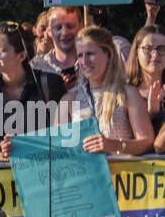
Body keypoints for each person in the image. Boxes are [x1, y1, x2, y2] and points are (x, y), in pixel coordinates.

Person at [58, 26, 154, 156]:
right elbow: (57, 150)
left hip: (122, 174)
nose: (84, 61)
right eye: (80, 55)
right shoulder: (68, 100)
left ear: (108, 55)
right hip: (86, 174)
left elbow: (147, 142)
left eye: (90, 54)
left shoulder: (128, 94)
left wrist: (114, 145)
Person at [0, 23, 66, 162]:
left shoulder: (49, 84)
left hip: (45, 173)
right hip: (2, 179)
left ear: (21, 56)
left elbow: (65, 135)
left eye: (0, 50)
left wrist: (26, 144)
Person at [125, 25, 165, 133]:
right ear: (136, 53)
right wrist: (150, 114)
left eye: (161, 49)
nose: (155, 54)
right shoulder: (125, 93)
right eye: (147, 48)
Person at [31, 5, 83, 88]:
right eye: (58, 28)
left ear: (81, 26)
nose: (64, 32)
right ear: (48, 30)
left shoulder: (94, 64)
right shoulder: (37, 67)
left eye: (70, 26)